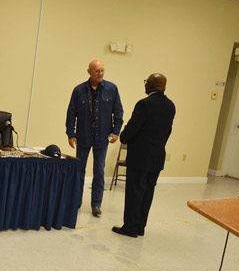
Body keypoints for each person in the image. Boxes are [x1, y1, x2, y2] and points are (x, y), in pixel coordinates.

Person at [112, 73, 175, 238]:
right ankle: (140, 226)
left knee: (135, 191)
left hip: (140, 157)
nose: (145, 85)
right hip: (157, 157)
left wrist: (124, 137)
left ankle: (130, 227)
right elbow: (168, 131)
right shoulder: (170, 106)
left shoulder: (144, 104)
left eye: (147, 82)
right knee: (147, 192)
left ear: (151, 86)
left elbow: (133, 127)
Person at [66, 60, 123, 217]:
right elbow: (71, 114)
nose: (100, 74)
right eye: (97, 71)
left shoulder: (112, 89)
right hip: (83, 137)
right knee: (79, 171)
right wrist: (71, 134)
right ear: (89, 71)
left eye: (102, 71)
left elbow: (118, 112)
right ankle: (76, 202)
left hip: (102, 138)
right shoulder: (78, 90)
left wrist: (116, 132)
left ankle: (96, 204)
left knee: (99, 171)